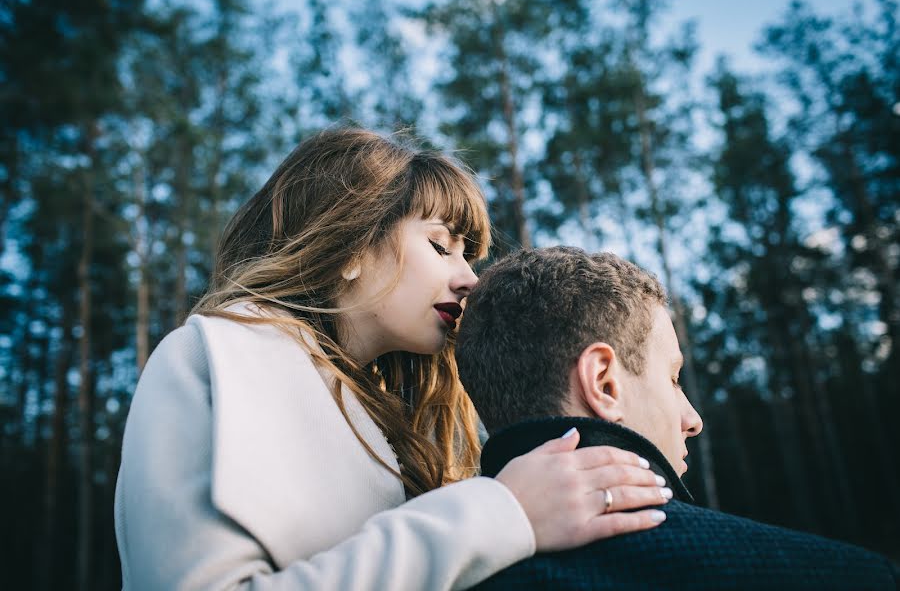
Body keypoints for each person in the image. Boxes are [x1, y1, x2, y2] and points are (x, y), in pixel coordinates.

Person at [113, 130, 671, 590]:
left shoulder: (403, 424)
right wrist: (502, 512)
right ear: (351, 247)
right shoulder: (211, 356)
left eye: (469, 255)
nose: (468, 278)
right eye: (439, 245)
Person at [455, 247, 900, 590]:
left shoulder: (420, 573)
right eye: (672, 378)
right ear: (604, 383)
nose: (693, 419)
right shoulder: (846, 578)